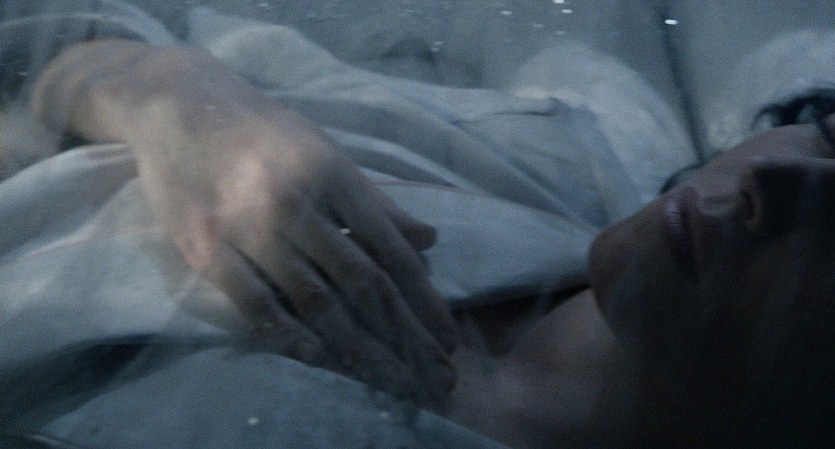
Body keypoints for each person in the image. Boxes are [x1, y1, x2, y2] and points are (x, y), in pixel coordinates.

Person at [1, 2, 832, 448]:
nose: (776, 181)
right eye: (827, 136)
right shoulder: (566, 152)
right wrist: (164, 89)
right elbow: (45, 34)